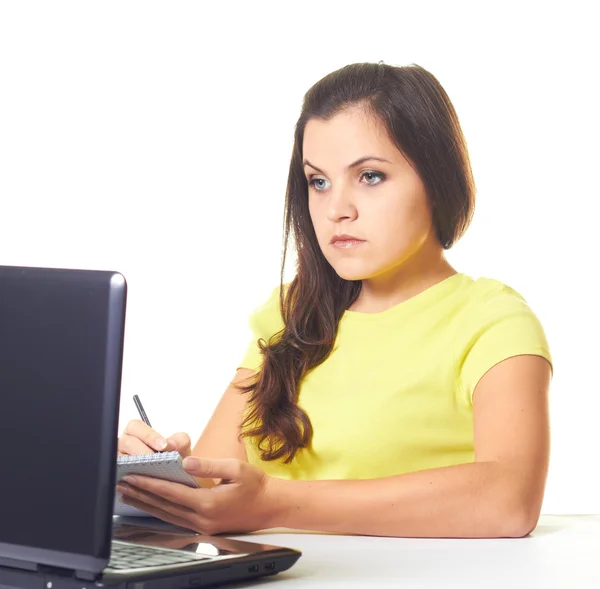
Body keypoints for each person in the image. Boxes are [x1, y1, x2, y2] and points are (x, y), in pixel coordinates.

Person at [116, 61, 553, 539]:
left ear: (436, 179)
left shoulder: (492, 321)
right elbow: (215, 484)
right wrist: (155, 477)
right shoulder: (288, 315)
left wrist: (275, 505)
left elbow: (508, 501)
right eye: (318, 182)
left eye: (369, 176)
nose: (336, 210)